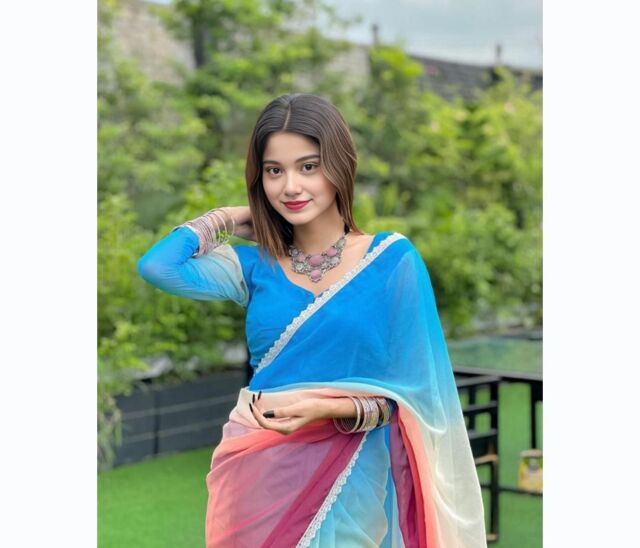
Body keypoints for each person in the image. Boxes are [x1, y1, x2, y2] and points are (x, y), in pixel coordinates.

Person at [138, 93, 486, 547]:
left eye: (308, 166)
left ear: (340, 166)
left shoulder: (390, 261)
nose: (290, 187)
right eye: (273, 171)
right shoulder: (255, 267)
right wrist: (230, 218)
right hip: (257, 468)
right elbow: (158, 266)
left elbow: (417, 398)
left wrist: (331, 409)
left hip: (351, 474)